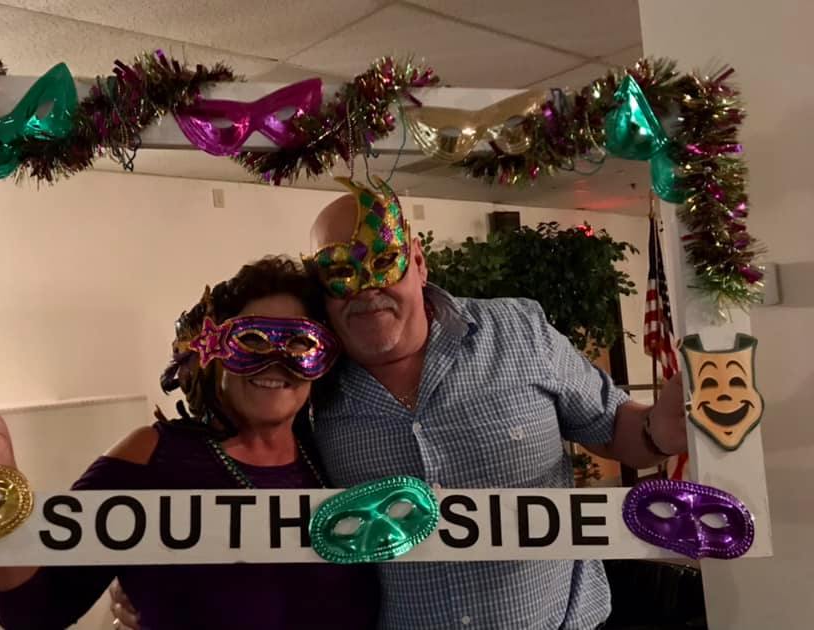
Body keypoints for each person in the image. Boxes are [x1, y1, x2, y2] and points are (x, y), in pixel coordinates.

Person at [111, 177, 688, 630]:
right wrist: (156, 573)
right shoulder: (308, 386)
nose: (367, 290)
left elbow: (617, 429)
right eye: (341, 272)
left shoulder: (519, 332)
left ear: (416, 259)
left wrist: (663, 427)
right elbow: (256, 488)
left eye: (382, 261)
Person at [0, 256, 380, 630]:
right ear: (212, 354)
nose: (276, 360)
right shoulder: (152, 458)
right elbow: (32, 609)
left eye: (299, 343)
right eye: (253, 341)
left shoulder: (330, 456)